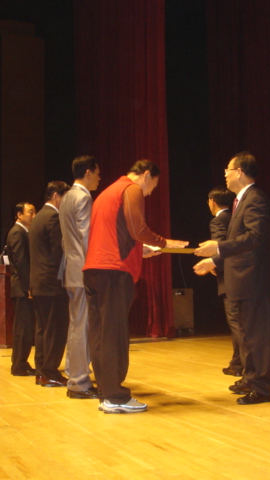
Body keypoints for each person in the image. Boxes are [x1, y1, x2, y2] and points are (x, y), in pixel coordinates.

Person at [83, 160, 188, 413]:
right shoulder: (131, 189)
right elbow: (137, 227)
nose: (150, 193)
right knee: (114, 334)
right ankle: (115, 397)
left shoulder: (107, 192)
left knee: (100, 334)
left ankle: (106, 392)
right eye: (153, 186)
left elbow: (114, 234)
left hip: (94, 270)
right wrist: (164, 242)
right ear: (147, 175)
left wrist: (140, 250)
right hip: (114, 272)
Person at [194, 152, 270, 405]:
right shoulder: (241, 200)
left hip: (254, 279)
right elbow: (239, 242)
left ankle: (262, 387)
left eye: (228, 170)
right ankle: (251, 378)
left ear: (240, 172)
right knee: (246, 334)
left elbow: (254, 237)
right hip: (243, 278)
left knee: (256, 335)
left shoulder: (255, 199)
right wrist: (214, 260)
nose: (225, 175)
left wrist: (218, 248)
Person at [58, 156, 101, 399]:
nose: (99, 178)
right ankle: (79, 382)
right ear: (88, 172)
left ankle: (74, 375)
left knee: (76, 324)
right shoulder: (83, 197)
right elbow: (87, 238)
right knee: (82, 326)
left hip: (71, 269)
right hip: (83, 270)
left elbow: (66, 240)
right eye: (97, 173)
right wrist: (94, 268)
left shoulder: (66, 198)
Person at [29, 181, 71, 387]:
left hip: (39, 283)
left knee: (43, 330)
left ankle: (41, 372)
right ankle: (50, 372)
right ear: (56, 196)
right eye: (65, 198)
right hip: (52, 283)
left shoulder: (37, 217)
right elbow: (59, 252)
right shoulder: (53, 217)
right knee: (56, 330)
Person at [207, 186, 245, 378]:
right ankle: (237, 363)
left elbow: (221, 246)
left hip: (230, 278)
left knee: (236, 323)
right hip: (244, 275)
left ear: (212, 201)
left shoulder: (218, 221)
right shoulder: (236, 217)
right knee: (242, 323)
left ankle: (244, 365)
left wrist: (214, 262)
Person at [7, 203, 37, 376]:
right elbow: (21, 262)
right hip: (22, 288)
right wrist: (28, 287)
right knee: (22, 328)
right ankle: (19, 365)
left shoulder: (24, 232)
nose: (34, 216)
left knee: (26, 327)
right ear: (19, 215)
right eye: (30, 212)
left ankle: (21, 363)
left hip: (23, 287)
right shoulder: (17, 232)